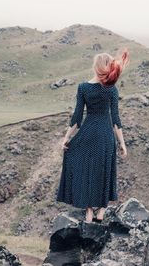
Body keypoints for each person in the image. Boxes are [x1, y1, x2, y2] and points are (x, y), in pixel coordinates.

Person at [56, 48, 129, 223]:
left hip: (88, 133)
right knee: (104, 170)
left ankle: (89, 210)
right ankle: (102, 210)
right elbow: (115, 120)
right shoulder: (111, 90)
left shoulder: (83, 88)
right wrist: (122, 143)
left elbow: (77, 117)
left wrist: (66, 137)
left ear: (96, 67)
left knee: (87, 170)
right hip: (105, 135)